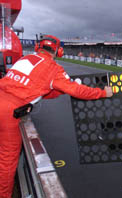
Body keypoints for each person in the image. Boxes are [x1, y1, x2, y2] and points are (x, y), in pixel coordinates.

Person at [0, 35, 113, 198]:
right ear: (58, 51)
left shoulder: (27, 57)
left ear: (39, 47)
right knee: (6, 162)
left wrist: (59, 90)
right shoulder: (53, 68)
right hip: (8, 112)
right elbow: (77, 91)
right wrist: (102, 92)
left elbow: (38, 88)